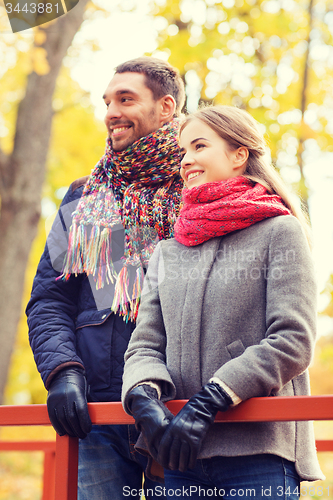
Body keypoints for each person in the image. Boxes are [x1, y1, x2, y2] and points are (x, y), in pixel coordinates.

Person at [122, 105, 324, 499]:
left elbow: (293, 338)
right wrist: (143, 396)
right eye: (183, 150)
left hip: (257, 455)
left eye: (199, 145)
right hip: (179, 457)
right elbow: (144, 345)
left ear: (238, 155)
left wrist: (213, 398)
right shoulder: (168, 250)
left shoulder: (279, 232)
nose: (186, 160)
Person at [26, 56, 185, 500]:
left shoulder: (201, 183)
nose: (111, 111)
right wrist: (62, 372)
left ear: (166, 107)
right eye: (107, 101)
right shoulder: (84, 196)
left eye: (126, 99)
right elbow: (49, 300)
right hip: (96, 415)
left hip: (178, 407)